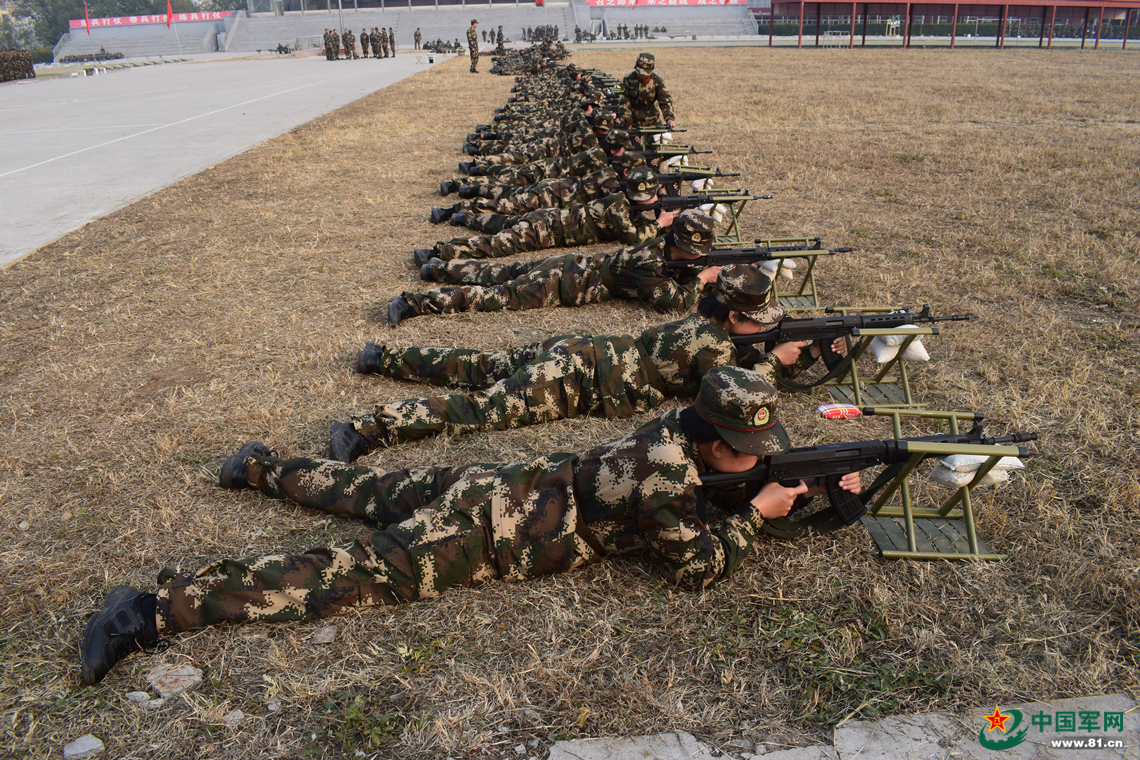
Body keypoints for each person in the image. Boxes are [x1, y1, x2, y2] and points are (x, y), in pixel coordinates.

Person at [78, 367, 862, 685]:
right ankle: (150, 610)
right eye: (748, 450)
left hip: (509, 480)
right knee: (344, 573)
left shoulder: (679, 429)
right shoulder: (667, 477)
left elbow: (740, 472)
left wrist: (819, 484)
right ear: (715, 439)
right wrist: (760, 518)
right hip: (498, 532)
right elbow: (696, 567)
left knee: (365, 488)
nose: (761, 456)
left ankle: (254, 466)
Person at [333, 264, 839, 461]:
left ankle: (384, 356)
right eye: (759, 322)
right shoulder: (718, 352)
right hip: (581, 377)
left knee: (483, 367)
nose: (766, 328)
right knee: (483, 409)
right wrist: (776, 363)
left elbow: (738, 358)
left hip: (586, 348)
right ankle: (364, 429)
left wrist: (801, 354)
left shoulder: (703, 326)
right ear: (733, 318)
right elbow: (735, 391)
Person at [393, 207, 712, 327]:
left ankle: (435, 268)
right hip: (564, 282)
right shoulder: (651, 262)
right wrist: (705, 277)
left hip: (568, 266)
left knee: (498, 272)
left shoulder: (659, 245)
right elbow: (674, 303)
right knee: (494, 296)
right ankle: (414, 302)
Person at [410, 165, 667, 268]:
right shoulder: (618, 207)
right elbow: (633, 236)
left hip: (549, 218)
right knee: (497, 244)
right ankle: (436, 253)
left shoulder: (621, 199)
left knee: (503, 222)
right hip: (549, 229)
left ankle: (462, 216)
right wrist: (660, 222)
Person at [621, 53, 675, 129]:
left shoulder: (657, 81)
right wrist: (628, 123)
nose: (643, 76)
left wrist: (669, 118)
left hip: (652, 121)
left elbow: (665, 100)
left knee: (660, 139)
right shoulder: (628, 79)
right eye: (640, 73)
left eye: (646, 73)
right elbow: (624, 102)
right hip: (632, 121)